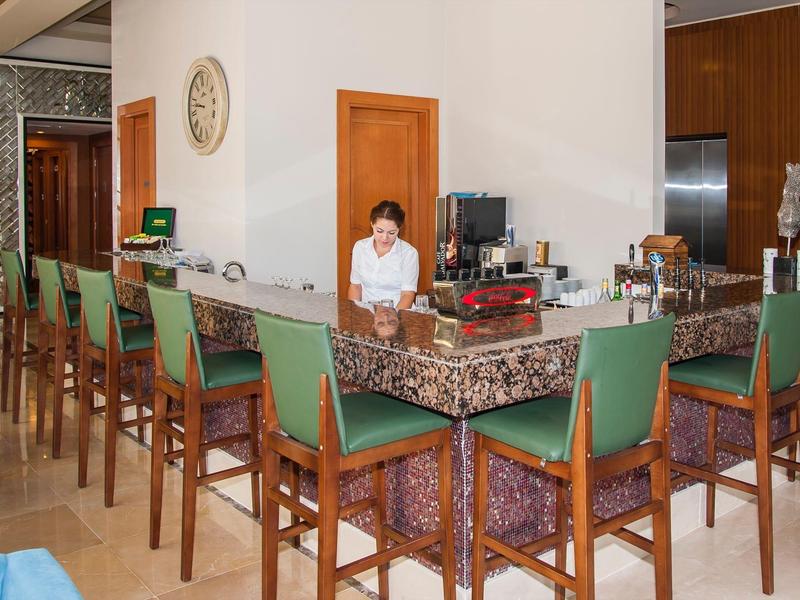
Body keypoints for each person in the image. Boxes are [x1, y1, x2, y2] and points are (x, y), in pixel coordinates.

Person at [348, 200, 419, 310]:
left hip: (398, 314)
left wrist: (394, 321)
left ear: (399, 229)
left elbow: (407, 295)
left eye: (391, 233)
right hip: (366, 315)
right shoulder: (360, 247)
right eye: (379, 231)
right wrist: (355, 315)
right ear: (372, 224)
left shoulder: (408, 253)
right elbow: (355, 286)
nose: (385, 238)